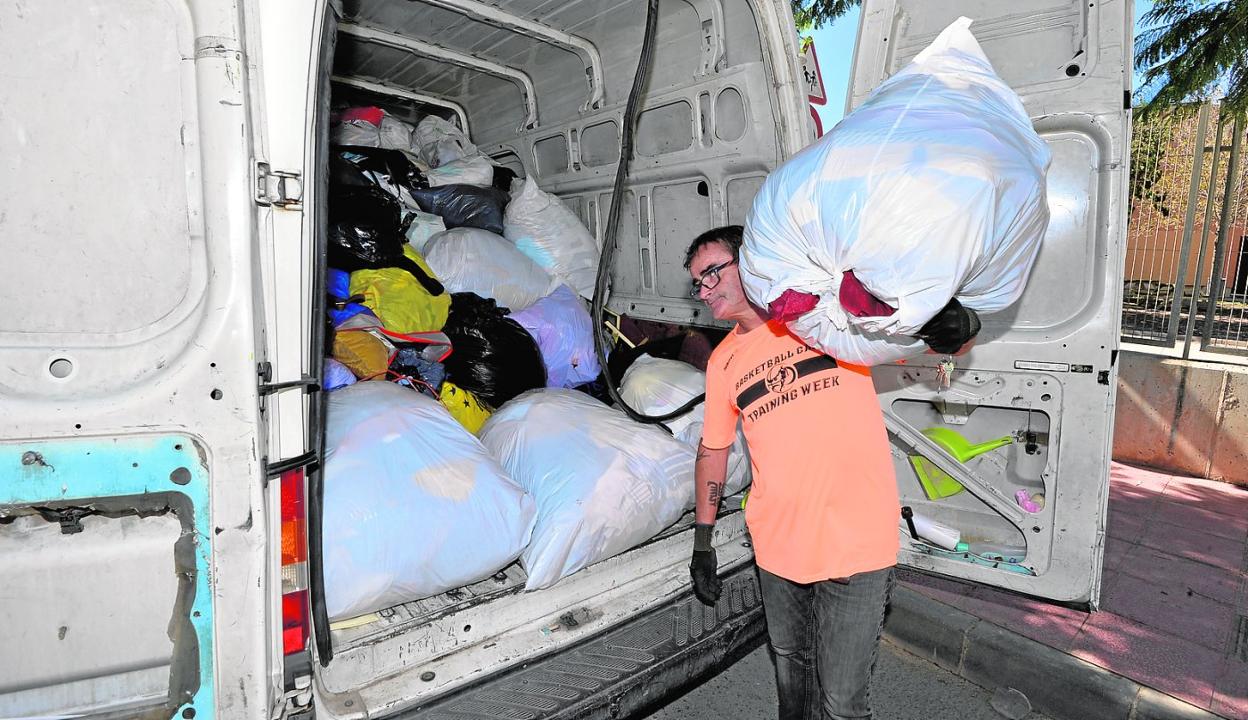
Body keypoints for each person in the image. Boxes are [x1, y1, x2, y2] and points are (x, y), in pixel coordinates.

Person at [685, 225, 900, 720]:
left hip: (857, 545)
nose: (705, 290)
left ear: (753, 261)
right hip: (779, 548)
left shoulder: (823, 318)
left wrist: (954, 324)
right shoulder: (722, 363)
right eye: (698, 283)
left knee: (842, 704)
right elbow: (712, 451)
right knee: (792, 673)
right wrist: (702, 541)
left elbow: (916, 332)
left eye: (713, 271)